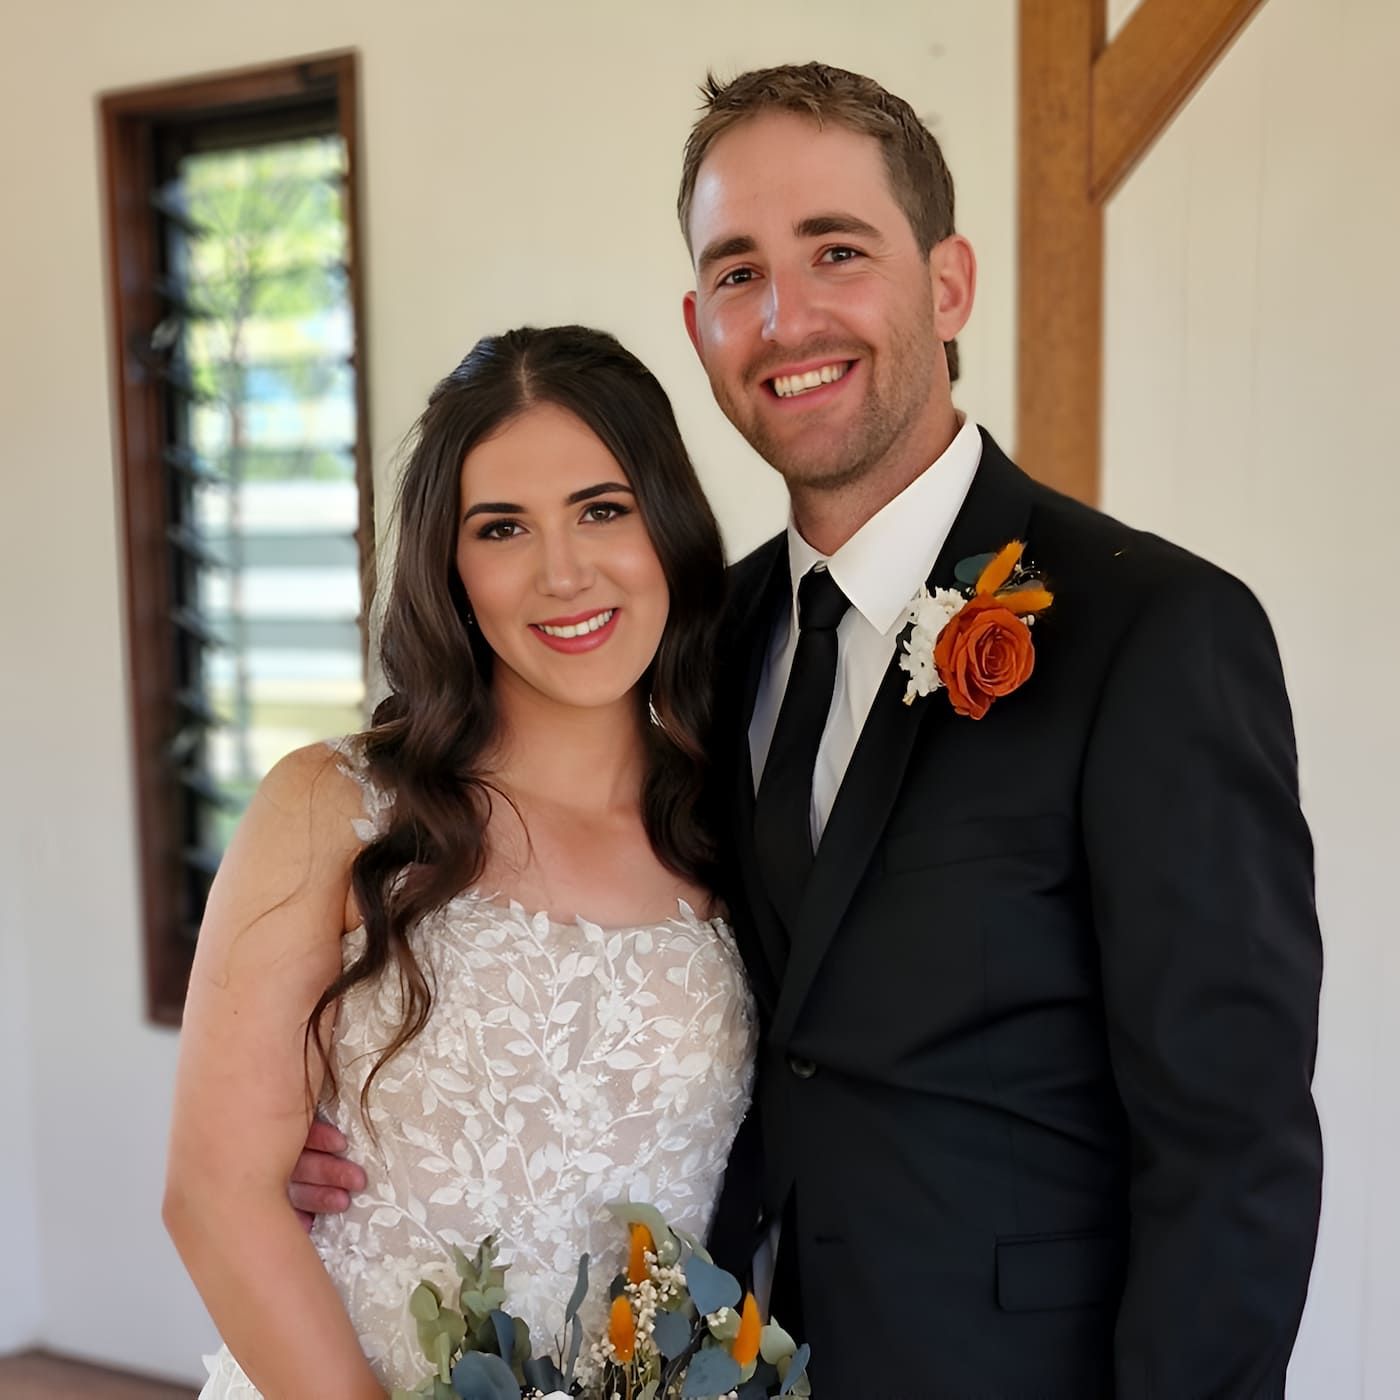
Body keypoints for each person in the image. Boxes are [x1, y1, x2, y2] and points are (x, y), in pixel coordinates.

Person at [293, 62, 1323, 1398]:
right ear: (698, 320)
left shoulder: (1156, 635)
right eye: (737, 272)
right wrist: (357, 1111)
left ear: (948, 284)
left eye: (836, 251)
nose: (786, 316)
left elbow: (1233, 1154)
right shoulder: (690, 646)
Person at [164, 325, 757, 1397]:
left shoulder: (741, 820)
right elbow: (215, 1192)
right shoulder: (331, 806)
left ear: (667, 523)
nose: (563, 572)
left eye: (602, 508)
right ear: (450, 562)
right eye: (502, 528)